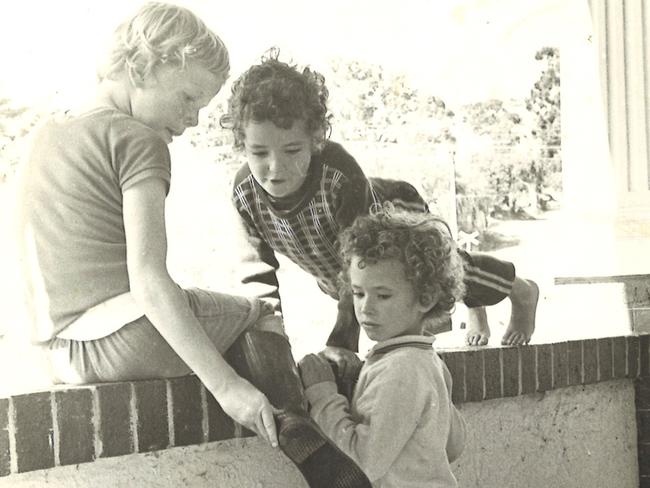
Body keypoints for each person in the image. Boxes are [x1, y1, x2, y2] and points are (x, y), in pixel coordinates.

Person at [15, 4, 370, 487]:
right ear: (143, 66)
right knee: (256, 313)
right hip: (119, 341)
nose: (194, 118)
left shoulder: (45, 131)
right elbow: (149, 280)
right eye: (187, 96)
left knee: (207, 325)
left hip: (56, 353)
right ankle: (301, 434)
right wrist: (227, 389)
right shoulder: (137, 139)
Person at [221, 49, 539, 362]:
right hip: (335, 267)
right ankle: (475, 305)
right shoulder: (244, 194)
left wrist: (343, 342)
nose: (275, 168)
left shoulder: (339, 175)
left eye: (291, 150)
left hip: (390, 217)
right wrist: (270, 349)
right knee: (383, 293)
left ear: (316, 138)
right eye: (259, 153)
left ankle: (519, 289)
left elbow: (360, 261)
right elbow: (257, 278)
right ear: (242, 145)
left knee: (443, 272)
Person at [298, 209, 467, 487]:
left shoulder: (401, 370)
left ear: (425, 299)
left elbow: (364, 464)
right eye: (358, 293)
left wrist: (323, 394)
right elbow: (453, 446)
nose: (366, 308)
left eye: (383, 295)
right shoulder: (426, 361)